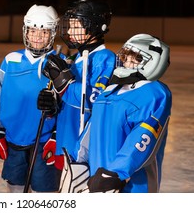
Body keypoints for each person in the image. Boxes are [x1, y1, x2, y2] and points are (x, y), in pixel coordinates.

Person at [73, 34, 172, 193]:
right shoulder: (110, 90)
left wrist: (115, 173)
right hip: (97, 180)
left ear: (153, 63)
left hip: (131, 185)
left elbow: (142, 138)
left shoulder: (155, 93)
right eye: (126, 57)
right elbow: (92, 127)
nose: (127, 62)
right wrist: (78, 158)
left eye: (136, 59)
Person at [0, 4, 64, 193]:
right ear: (26, 31)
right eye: (33, 31)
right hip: (14, 138)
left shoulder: (59, 62)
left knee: (44, 193)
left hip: (44, 140)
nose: (38, 37)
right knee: (15, 189)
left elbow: (68, 105)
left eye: (44, 32)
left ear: (52, 33)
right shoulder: (11, 60)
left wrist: (57, 135)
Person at [38, 0, 116, 169]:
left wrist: (63, 83)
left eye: (76, 26)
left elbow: (94, 102)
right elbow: (67, 102)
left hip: (85, 149)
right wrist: (53, 106)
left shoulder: (106, 60)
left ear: (95, 27)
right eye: (69, 26)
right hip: (66, 142)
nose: (69, 31)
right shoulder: (75, 58)